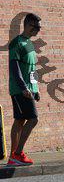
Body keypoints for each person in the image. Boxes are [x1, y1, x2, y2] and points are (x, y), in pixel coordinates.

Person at [7, 13, 42, 166]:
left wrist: (36, 88)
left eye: (39, 27)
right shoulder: (17, 43)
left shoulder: (30, 44)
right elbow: (14, 68)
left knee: (20, 120)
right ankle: (18, 153)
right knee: (33, 119)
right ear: (27, 25)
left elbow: (32, 69)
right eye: (36, 27)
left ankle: (13, 157)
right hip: (20, 90)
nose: (38, 30)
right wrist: (23, 87)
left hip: (29, 89)